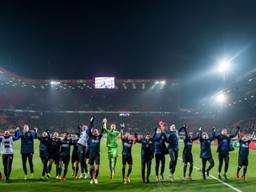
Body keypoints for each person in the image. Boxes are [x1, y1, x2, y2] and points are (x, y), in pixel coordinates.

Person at [87, 116, 103, 184]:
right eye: (94, 131)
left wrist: (103, 123)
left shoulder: (99, 137)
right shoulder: (90, 136)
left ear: (98, 132)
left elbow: (102, 130)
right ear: (93, 132)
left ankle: (95, 178)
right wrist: (91, 121)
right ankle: (92, 178)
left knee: (97, 166)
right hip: (91, 153)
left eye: (96, 131)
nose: (95, 132)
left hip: (97, 154)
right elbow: (89, 129)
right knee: (91, 167)